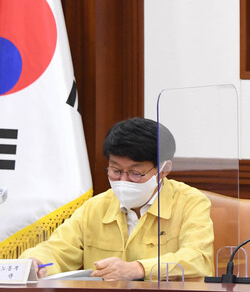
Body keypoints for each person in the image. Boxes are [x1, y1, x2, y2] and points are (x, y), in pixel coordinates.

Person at [21, 117, 214, 280]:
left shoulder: (191, 203)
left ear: (164, 170)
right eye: (115, 170)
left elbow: (198, 259)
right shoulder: (96, 207)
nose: (123, 181)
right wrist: (34, 261)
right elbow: (56, 250)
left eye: (135, 173)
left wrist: (137, 269)